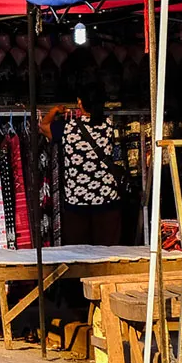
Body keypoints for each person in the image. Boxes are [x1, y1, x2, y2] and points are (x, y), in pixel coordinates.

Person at [60, 80, 126, 245]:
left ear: (79, 102)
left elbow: (43, 127)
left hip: (76, 202)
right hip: (107, 200)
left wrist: (54, 110)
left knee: (78, 257)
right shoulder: (110, 126)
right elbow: (119, 158)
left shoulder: (66, 128)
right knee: (108, 255)